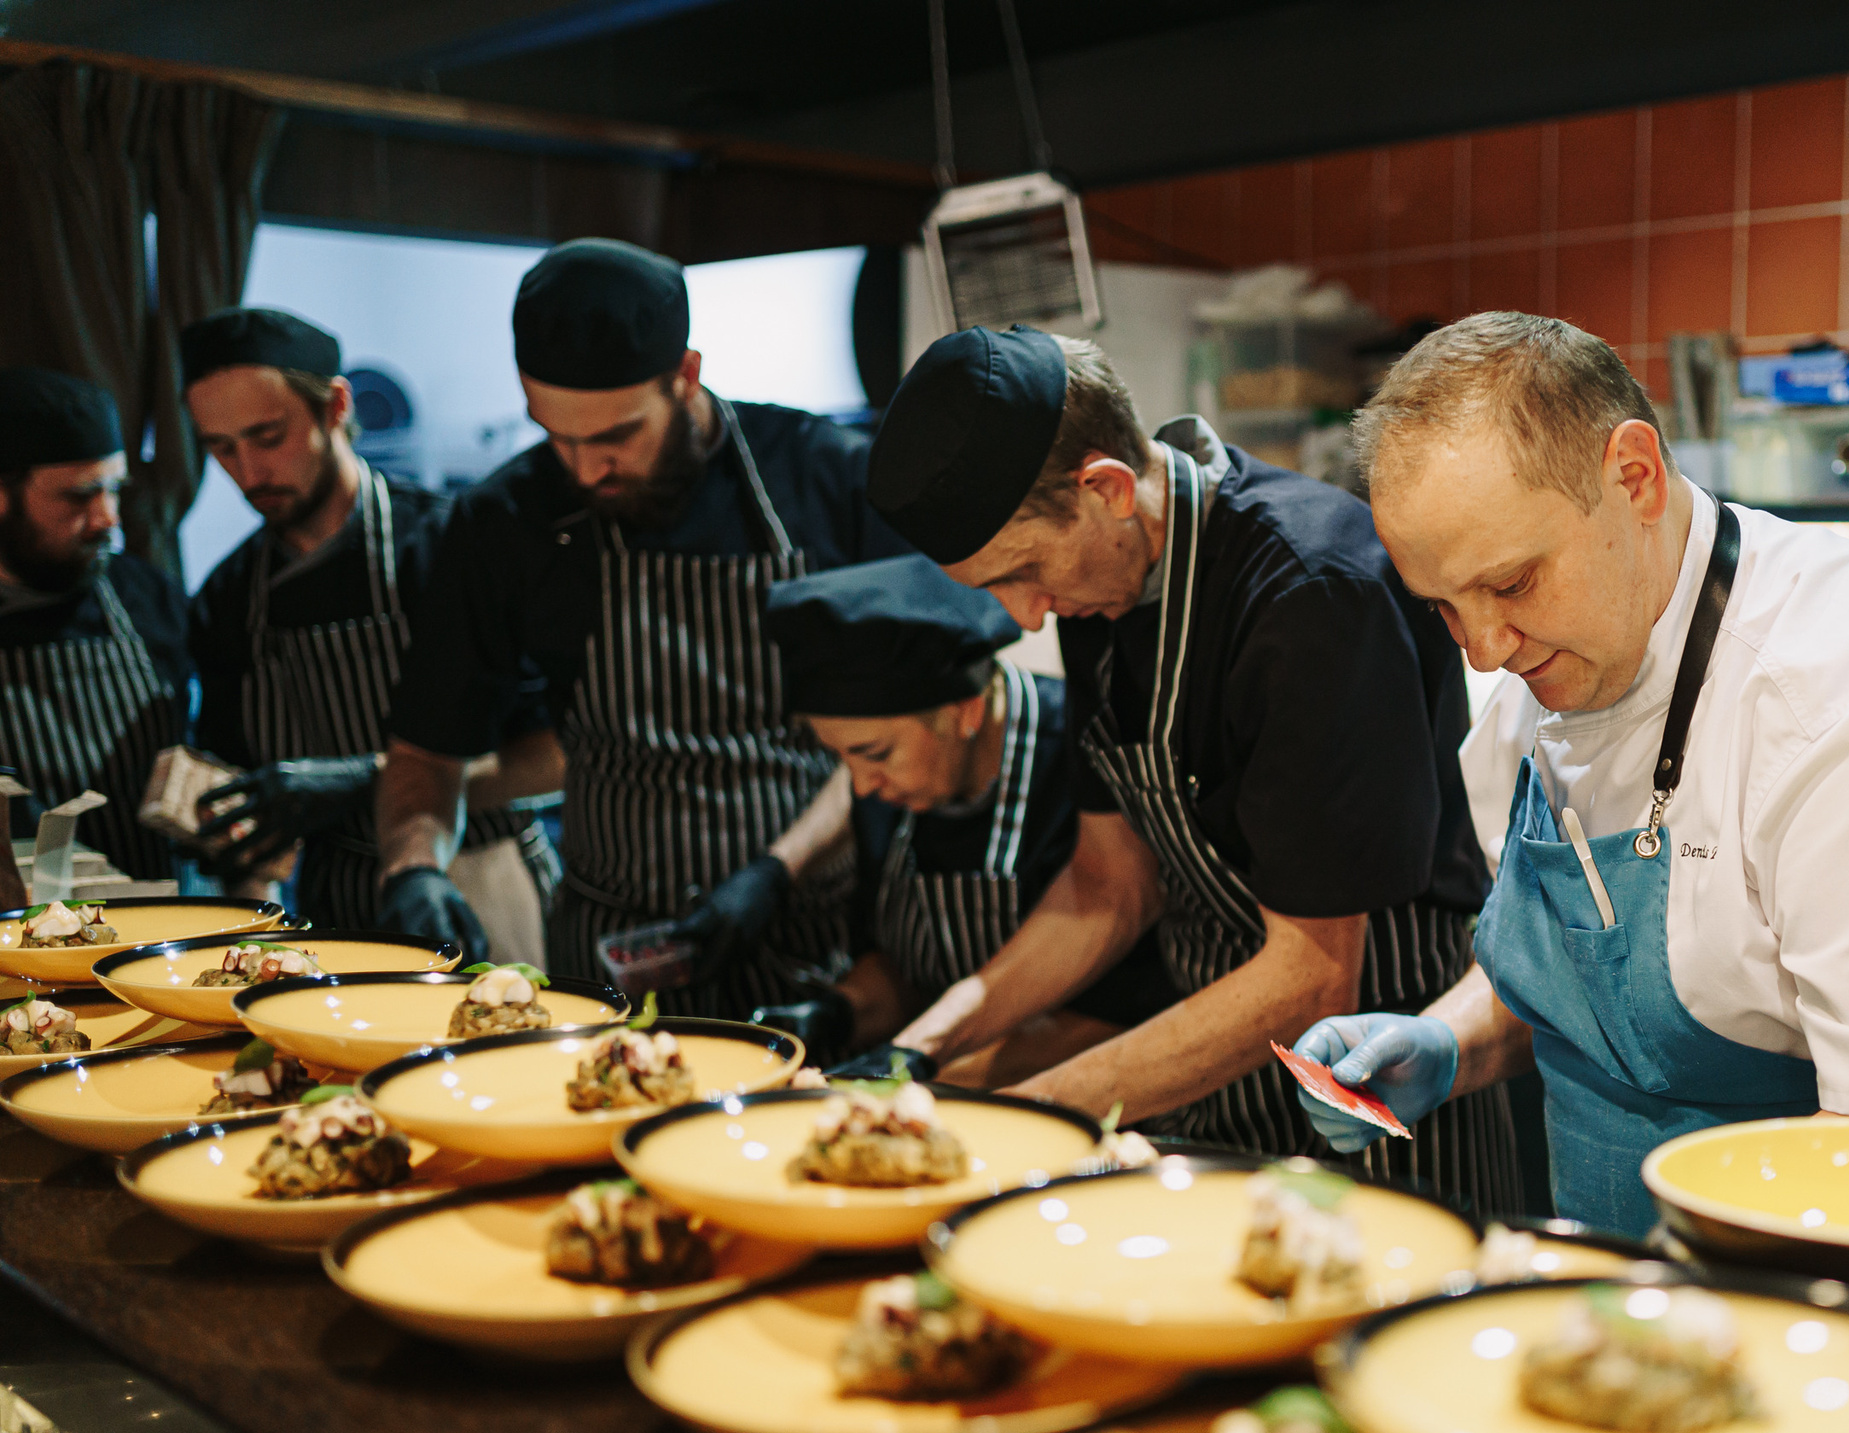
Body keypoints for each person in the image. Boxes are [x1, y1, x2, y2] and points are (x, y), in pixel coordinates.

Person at [1290, 314, 1849, 1236]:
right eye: (1445, 607)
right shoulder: (1544, 666)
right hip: (1616, 1291)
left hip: (1828, 1308)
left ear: (1632, 476)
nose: (1483, 652)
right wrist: (1454, 1038)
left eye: (1512, 584)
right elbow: (1610, 983)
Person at [860, 326, 1522, 1213]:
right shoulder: (1108, 589)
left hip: (1371, 1094)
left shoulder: (1307, 593)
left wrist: (1032, 1114)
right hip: (1203, 1083)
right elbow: (1107, 886)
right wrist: (920, 1047)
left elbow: (1312, 972)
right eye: (993, 589)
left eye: (1023, 572)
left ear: (1106, 489)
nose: (1024, 618)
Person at [375, 238, 907, 1006]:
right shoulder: (502, 521)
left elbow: (892, 735)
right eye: (557, 436)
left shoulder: (822, 478)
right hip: (602, 965)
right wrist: (413, 866)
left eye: (615, 436)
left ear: (685, 376)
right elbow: (427, 754)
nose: (586, 469)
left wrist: (773, 870)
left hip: (805, 943)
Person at [180, 308, 561, 949]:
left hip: (475, 881)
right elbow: (240, 799)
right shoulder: (229, 597)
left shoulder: (452, 547)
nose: (247, 473)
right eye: (221, 448)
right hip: (333, 901)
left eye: (267, 437)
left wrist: (367, 778)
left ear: (335, 405)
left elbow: (553, 754)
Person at [757, 555, 1173, 1077]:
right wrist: (838, 1015)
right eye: (841, 758)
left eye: (876, 754)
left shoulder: (1089, 759)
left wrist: (909, 1082)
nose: (861, 786)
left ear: (966, 711)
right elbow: (902, 970)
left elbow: (1116, 1015)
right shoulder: (889, 793)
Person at [0, 368, 188, 883]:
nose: (108, 519)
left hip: (170, 923)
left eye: (114, 490)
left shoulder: (149, 598)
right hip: (24, 936)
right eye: (79, 496)